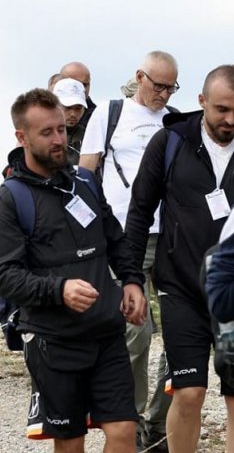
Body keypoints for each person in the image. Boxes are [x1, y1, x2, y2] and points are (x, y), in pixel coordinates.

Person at [0, 87, 146, 453]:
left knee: (123, 431)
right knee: (71, 442)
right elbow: (4, 275)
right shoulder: (10, 199)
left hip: (106, 333)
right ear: (21, 137)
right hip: (52, 340)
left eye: (61, 129)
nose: (59, 139)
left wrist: (132, 281)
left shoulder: (86, 183)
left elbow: (117, 240)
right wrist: (59, 290)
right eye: (47, 133)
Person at [126, 64, 234, 453]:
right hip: (181, 290)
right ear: (202, 101)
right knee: (188, 393)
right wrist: (131, 278)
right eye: (222, 109)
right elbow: (139, 211)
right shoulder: (170, 141)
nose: (230, 119)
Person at [79, 51, 178, 451]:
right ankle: (130, 419)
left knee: (180, 336)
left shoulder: (176, 123)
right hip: (124, 240)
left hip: (171, 238)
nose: (165, 94)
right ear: (140, 77)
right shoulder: (110, 113)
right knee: (136, 331)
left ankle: (161, 421)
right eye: (159, 85)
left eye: (173, 87)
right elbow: (86, 173)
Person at [51, 78, 86, 166]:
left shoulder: (89, 136)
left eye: (78, 108)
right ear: (55, 105)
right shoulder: (37, 134)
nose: (73, 114)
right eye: (67, 107)